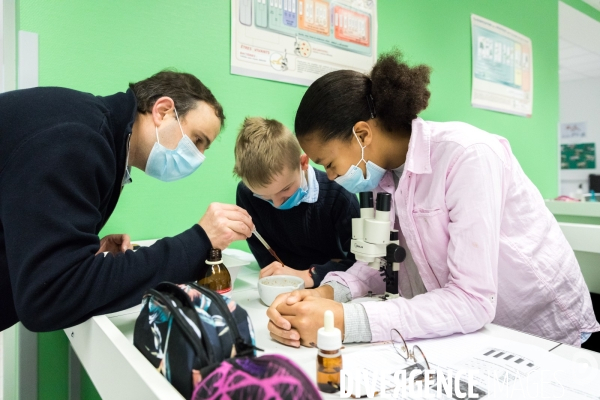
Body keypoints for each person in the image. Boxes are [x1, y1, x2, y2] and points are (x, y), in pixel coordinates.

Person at [266, 50, 600, 347]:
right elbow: (380, 264)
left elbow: (472, 299)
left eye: (330, 163)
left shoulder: (466, 157)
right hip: (478, 332)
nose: (334, 177)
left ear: (362, 134)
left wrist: (344, 321)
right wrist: (327, 293)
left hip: (540, 327)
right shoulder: (378, 175)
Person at [0, 71, 254, 332]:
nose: (198, 157)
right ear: (163, 111)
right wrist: (199, 240)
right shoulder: (78, 139)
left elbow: (38, 257)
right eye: (197, 140)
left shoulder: (95, 132)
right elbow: (49, 296)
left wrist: (80, 253)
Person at [234, 117, 359, 288]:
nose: (277, 204)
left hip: (332, 288)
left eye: (285, 189)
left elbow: (361, 265)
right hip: (282, 288)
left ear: (303, 163)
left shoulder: (339, 195)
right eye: (265, 197)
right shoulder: (247, 194)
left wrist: (308, 276)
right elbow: (267, 259)